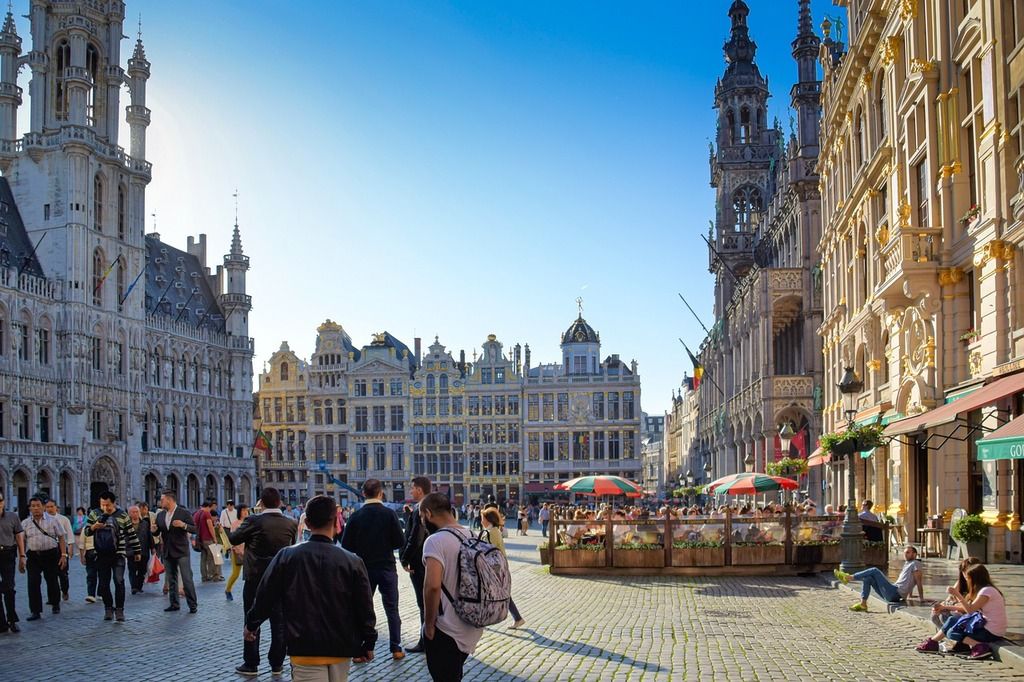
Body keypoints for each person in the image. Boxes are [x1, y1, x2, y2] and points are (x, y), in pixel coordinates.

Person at [244, 495, 376, 682]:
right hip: (341, 647)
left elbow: (266, 595)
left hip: (304, 646)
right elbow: (364, 605)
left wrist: (252, 624)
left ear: (306, 522)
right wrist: (368, 641)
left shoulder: (287, 556)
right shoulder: (352, 561)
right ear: (335, 522)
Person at [229, 487, 297, 677]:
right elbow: (291, 548)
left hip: (255, 578)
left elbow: (234, 538)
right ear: (280, 503)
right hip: (281, 579)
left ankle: (251, 663)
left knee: (252, 618)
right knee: (280, 622)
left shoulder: (254, 520)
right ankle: (277, 663)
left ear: (261, 503)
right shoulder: (290, 523)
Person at [341, 479, 407, 661]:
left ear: (363, 494)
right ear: (381, 493)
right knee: (392, 609)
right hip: (386, 567)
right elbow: (400, 542)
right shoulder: (389, 514)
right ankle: (395, 648)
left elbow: (346, 545)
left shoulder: (356, 516)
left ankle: (362, 650)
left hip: (363, 569)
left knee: (361, 608)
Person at [420, 492, 483, 681]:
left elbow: (432, 586)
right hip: (471, 623)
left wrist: (429, 624)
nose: (423, 521)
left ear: (428, 514)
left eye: (422, 517)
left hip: (446, 627)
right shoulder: (472, 535)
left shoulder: (435, 541)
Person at [915, 563, 1008, 660]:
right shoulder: (986, 589)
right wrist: (945, 606)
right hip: (985, 625)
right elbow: (969, 609)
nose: (967, 581)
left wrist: (957, 594)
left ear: (975, 579)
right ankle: (933, 643)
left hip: (991, 631)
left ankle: (980, 646)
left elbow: (970, 610)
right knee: (952, 620)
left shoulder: (986, 591)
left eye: (968, 578)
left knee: (952, 632)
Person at [84, 492, 141, 622]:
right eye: (102, 505)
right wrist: (94, 526)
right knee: (103, 584)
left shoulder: (122, 515)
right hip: (101, 554)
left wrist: (137, 552)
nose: (105, 508)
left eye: (107, 505)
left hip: (118, 553)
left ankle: (119, 610)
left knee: (119, 580)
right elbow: (87, 532)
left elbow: (131, 534)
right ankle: (108, 608)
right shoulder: (94, 514)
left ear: (114, 503)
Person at [835, 546, 924, 611]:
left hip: (895, 593)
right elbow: (909, 580)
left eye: (908, 552)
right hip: (893, 594)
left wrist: (921, 598)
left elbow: (918, 581)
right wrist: (909, 595)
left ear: (915, 554)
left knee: (874, 570)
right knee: (868, 578)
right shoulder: (908, 564)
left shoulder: (915, 563)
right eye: (905, 552)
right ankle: (863, 604)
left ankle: (849, 577)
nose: (905, 554)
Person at [152, 490, 198, 614]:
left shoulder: (183, 513)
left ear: (169, 500)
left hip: (181, 551)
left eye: (162, 500)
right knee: (171, 579)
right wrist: (153, 530)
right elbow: (157, 532)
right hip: (167, 551)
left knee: (187, 579)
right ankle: (174, 603)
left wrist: (183, 525)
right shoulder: (161, 515)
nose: (159, 502)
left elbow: (194, 529)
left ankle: (192, 605)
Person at [22, 496, 67, 621]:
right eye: (33, 506)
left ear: (43, 507)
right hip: (33, 555)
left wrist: (63, 555)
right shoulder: (25, 523)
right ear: (30, 508)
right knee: (33, 582)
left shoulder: (53, 520)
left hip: (51, 554)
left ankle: (55, 603)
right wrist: (21, 556)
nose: (36, 508)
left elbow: (62, 537)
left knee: (51, 580)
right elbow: (22, 540)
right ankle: (35, 611)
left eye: (38, 505)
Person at [400, 476, 431, 654]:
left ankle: (425, 641)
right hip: (430, 559)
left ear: (419, 489)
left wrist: (404, 558)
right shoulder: (430, 505)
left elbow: (416, 536)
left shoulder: (421, 507)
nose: (410, 491)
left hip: (419, 562)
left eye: (412, 488)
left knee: (423, 603)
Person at [480, 508, 525, 629]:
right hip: (494, 567)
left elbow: (491, 550)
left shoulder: (493, 532)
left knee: (494, 592)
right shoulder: (489, 531)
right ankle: (518, 618)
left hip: (496, 567)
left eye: (482, 518)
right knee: (498, 592)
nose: (481, 520)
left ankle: (483, 618)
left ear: (488, 520)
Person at [931, 557, 983, 628]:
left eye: (967, 570)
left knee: (946, 616)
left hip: (971, 614)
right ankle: (944, 634)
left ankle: (947, 635)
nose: (965, 573)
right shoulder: (961, 582)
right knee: (935, 615)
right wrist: (940, 606)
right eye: (963, 570)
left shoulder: (980, 588)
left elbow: (969, 609)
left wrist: (945, 607)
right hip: (957, 608)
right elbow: (950, 598)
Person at [0, 491, 25, 632]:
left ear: (3, 502)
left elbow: (19, 536)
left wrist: (22, 556)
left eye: (0, 500)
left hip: (8, 554)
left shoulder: (12, 517)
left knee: (9, 587)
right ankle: (1, 623)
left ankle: (12, 619)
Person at [43, 499, 73, 602]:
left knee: (63, 573)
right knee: (50, 574)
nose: (49, 509)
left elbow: (69, 534)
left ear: (56, 507)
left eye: (52, 507)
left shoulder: (63, 519)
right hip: (49, 549)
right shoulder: (42, 520)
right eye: (47, 507)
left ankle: (64, 590)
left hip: (62, 549)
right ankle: (52, 597)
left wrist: (70, 548)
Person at [193, 499, 222, 583]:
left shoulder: (197, 513)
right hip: (207, 538)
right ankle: (213, 575)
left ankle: (204, 576)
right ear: (208, 507)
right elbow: (210, 527)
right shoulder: (206, 513)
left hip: (200, 539)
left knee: (203, 558)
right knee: (213, 557)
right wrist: (215, 538)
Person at [126, 505, 153, 594]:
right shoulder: (126, 524)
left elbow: (149, 536)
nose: (135, 514)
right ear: (129, 514)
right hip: (131, 551)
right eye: (133, 512)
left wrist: (153, 547)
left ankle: (139, 586)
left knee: (142, 570)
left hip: (143, 550)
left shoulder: (145, 523)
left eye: (136, 512)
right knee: (132, 569)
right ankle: (134, 587)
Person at [225, 504, 248, 601]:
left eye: (246, 510)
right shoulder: (235, 524)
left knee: (249, 574)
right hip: (237, 552)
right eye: (243, 510)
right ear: (239, 512)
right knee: (236, 573)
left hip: (247, 551)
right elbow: (232, 539)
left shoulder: (249, 523)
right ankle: (228, 589)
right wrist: (238, 550)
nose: (245, 512)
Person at [77, 520, 98, 604]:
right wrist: (82, 556)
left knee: (102, 574)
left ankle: (101, 592)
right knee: (91, 574)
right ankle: (91, 594)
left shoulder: (104, 527)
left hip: (102, 552)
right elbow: (82, 543)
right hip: (90, 552)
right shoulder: (86, 528)